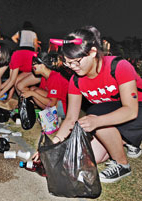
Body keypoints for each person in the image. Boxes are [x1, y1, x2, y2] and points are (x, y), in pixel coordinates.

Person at [33, 26, 142, 183]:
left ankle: (122, 164)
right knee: (92, 157)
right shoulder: (75, 80)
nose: (72, 67)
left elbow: (131, 111)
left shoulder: (118, 66)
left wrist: (97, 122)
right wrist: (50, 147)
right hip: (113, 113)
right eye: (67, 63)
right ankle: (129, 142)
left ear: (92, 52)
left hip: (136, 109)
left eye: (76, 61)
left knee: (95, 113)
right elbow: (70, 118)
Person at [21, 52, 69, 118]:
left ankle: (52, 115)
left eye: (34, 65)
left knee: (34, 92)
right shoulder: (45, 77)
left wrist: (32, 94)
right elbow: (42, 96)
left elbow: (52, 103)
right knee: (33, 89)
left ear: (42, 65)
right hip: (56, 104)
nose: (32, 67)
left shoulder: (55, 77)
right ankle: (47, 113)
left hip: (63, 109)